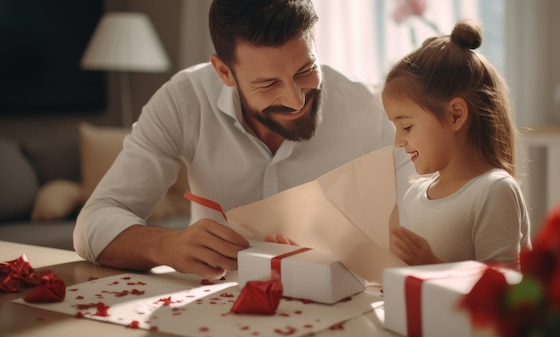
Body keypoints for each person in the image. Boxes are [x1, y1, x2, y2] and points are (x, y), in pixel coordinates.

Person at [73, 0, 413, 279]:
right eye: (268, 84)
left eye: (304, 70)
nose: (296, 100)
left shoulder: (372, 112)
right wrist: (165, 245)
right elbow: (96, 221)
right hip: (207, 308)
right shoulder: (184, 101)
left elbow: (431, 218)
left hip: (338, 305)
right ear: (224, 72)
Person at [382, 20, 531, 270]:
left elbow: (500, 291)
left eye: (406, 127)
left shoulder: (494, 191)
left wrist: (431, 265)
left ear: (455, 116)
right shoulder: (415, 196)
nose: (398, 142)